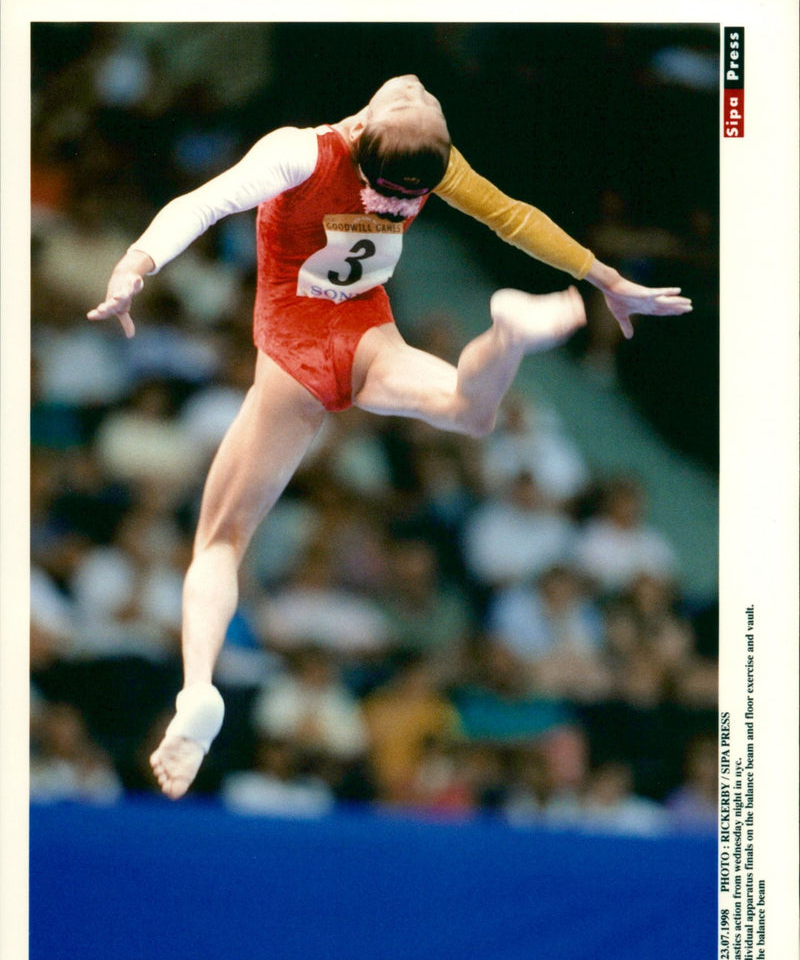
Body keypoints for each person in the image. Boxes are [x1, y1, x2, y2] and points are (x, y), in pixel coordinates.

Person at [87, 74, 692, 799]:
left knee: (220, 540)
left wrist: (136, 264)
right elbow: (511, 217)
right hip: (369, 336)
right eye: (417, 98)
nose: (417, 87)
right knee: (471, 409)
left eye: (420, 99)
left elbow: (204, 201)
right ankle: (504, 334)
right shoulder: (400, 164)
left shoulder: (304, 151)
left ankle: (196, 690)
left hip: (296, 356)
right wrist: (601, 277)